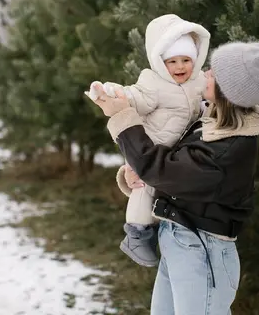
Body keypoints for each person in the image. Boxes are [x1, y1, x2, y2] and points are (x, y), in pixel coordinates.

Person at [91, 40, 259, 314]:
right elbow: (175, 169)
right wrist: (136, 177)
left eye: (213, 73)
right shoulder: (211, 124)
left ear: (228, 90)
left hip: (202, 250)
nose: (204, 73)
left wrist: (122, 117)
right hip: (181, 241)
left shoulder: (226, 147)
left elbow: (163, 169)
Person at [85, 14, 210, 267]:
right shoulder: (153, 83)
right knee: (144, 188)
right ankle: (137, 234)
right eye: (172, 61)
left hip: (180, 150)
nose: (180, 66)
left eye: (186, 59)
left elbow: (206, 102)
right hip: (151, 147)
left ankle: (159, 229)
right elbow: (134, 96)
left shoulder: (199, 81)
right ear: (159, 61)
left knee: (162, 189)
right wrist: (112, 92)